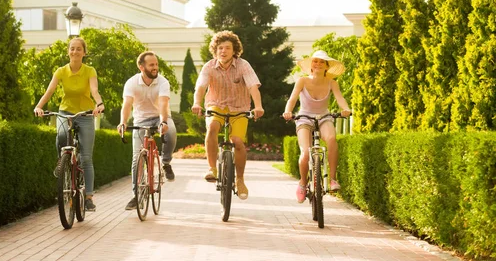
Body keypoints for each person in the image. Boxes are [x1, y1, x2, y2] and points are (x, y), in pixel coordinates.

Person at [191, 30, 264, 200]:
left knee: (237, 141)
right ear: (215, 50)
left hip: (239, 108)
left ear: (234, 50)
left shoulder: (243, 65)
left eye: (227, 48)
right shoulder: (209, 66)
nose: (223, 51)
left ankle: (240, 180)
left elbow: (253, 86)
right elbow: (201, 87)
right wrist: (197, 103)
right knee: (212, 128)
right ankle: (212, 168)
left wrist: (258, 106)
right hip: (216, 105)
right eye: (220, 48)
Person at [34, 37, 105, 212]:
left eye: (78, 49)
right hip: (66, 112)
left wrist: (99, 104)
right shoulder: (61, 71)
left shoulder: (89, 71)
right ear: (68, 51)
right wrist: (39, 106)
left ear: (84, 52)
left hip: (85, 114)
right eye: (72, 48)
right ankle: (62, 161)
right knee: (61, 135)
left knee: (86, 157)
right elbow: (50, 91)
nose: (75, 52)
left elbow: (94, 90)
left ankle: (88, 197)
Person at [282, 50, 351, 203]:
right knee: (305, 152)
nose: (318, 64)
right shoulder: (302, 81)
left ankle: (332, 179)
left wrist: (345, 109)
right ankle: (302, 183)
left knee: (332, 139)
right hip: (304, 117)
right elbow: (292, 99)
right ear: (311, 65)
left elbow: (340, 99)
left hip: (324, 117)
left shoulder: (332, 83)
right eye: (315, 61)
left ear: (327, 66)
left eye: (322, 62)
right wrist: (288, 111)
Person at [117, 51, 177, 211]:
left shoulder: (163, 82)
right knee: (137, 158)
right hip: (141, 120)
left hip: (159, 117)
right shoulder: (131, 83)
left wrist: (163, 121)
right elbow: (127, 104)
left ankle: (166, 162)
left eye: (156, 64)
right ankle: (137, 196)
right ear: (141, 66)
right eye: (152, 65)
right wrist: (123, 122)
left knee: (170, 132)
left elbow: (163, 104)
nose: (155, 67)